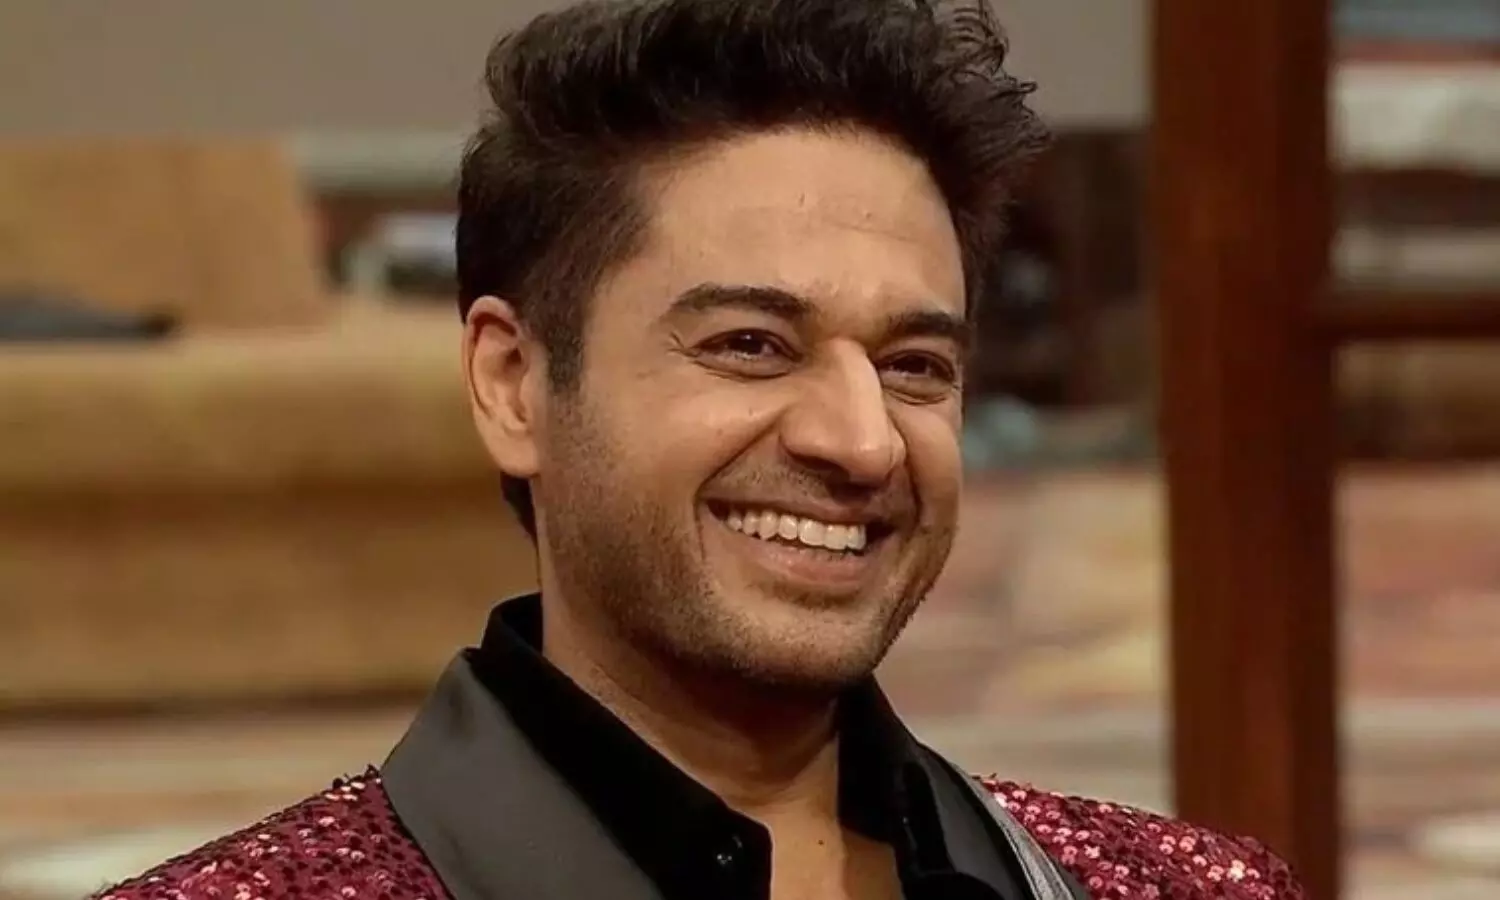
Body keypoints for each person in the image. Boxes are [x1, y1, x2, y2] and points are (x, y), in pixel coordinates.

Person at [99, 1, 1303, 898]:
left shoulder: (1185, 887)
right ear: (512, 385)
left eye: (915, 365)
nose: (861, 441)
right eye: (750, 345)